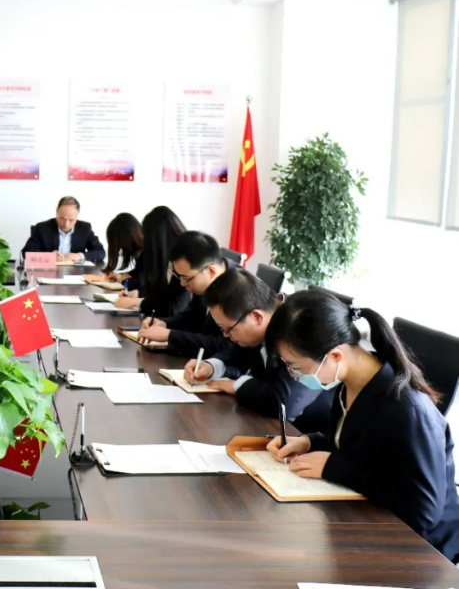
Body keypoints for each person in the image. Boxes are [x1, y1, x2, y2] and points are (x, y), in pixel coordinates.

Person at [265, 291, 459, 564]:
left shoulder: (407, 410)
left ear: (335, 355)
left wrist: (334, 468)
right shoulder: (351, 382)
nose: (294, 375)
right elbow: (361, 445)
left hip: (422, 551)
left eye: (295, 367)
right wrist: (309, 442)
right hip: (369, 520)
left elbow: (423, 511)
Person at [182, 268, 332, 430]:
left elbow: (283, 404)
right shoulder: (263, 323)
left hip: (304, 431)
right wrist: (212, 366)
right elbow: (237, 354)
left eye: (229, 329)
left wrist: (239, 385)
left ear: (256, 317)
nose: (226, 336)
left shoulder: (294, 329)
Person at [137, 231, 240, 356]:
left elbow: (226, 346)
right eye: (179, 277)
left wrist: (170, 335)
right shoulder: (205, 279)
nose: (182, 284)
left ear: (211, 271)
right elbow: (192, 315)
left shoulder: (238, 289)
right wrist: (165, 323)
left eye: (186, 278)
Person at [113, 207, 190, 318]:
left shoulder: (184, 262)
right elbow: (163, 295)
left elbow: (174, 307)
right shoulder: (168, 260)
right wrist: (139, 294)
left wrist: (138, 302)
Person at [21, 196, 105, 264]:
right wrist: (49, 257)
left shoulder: (85, 228)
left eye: (71, 220)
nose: (66, 224)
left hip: (76, 274)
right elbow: (26, 253)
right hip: (48, 273)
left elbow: (100, 252)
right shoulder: (42, 228)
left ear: (77, 216)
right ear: (57, 212)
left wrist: (79, 256)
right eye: (62, 219)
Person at [102, 213, 142, 282]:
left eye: (119, 244)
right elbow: (138, 272)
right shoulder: (140, 250)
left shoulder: (149, 251)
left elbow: (148, 280)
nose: (120, 248)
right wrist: (120, 275)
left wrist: (125, 280)